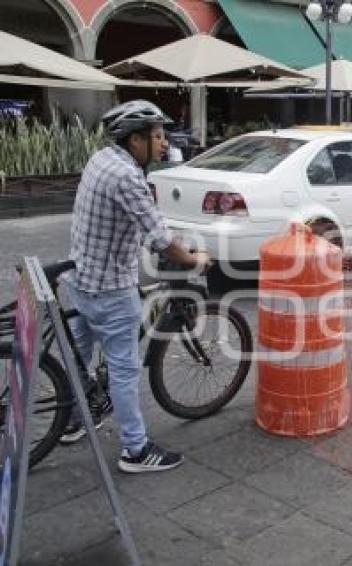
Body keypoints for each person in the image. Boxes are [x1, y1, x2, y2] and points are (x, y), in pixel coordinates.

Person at [61, 100, 209, 473]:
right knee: (124, 370)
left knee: (79, 354)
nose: (163, 144)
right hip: (109, 288)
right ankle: (136, 451)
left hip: (80, 278)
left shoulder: (102, 160)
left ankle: (75, 418)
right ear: (135, 140)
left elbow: (134, 220)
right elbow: (159, 238)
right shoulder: (127, 177)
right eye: (157, 137)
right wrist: (194, 259)